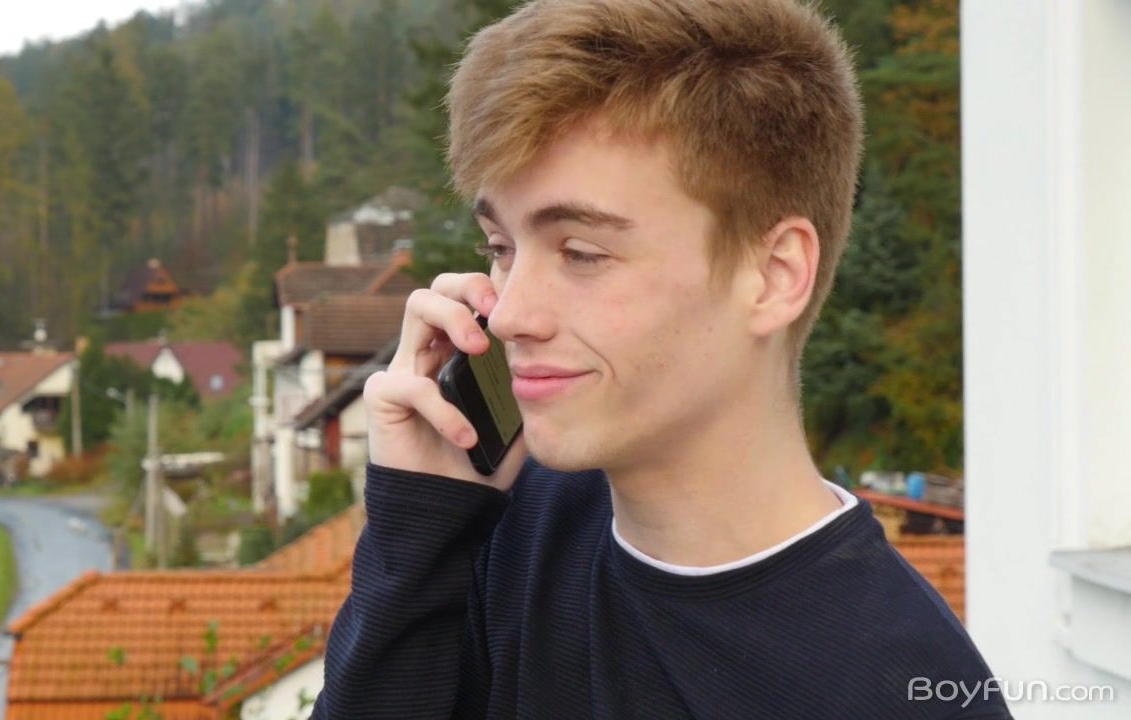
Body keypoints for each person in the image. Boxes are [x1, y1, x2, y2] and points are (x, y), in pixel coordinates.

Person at [312, 0, 1012, 718]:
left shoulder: (897, 691)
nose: (511, 313)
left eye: (581, 253)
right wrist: (418, 532)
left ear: (774, 275)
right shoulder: (510, 528)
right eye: (501, 248)